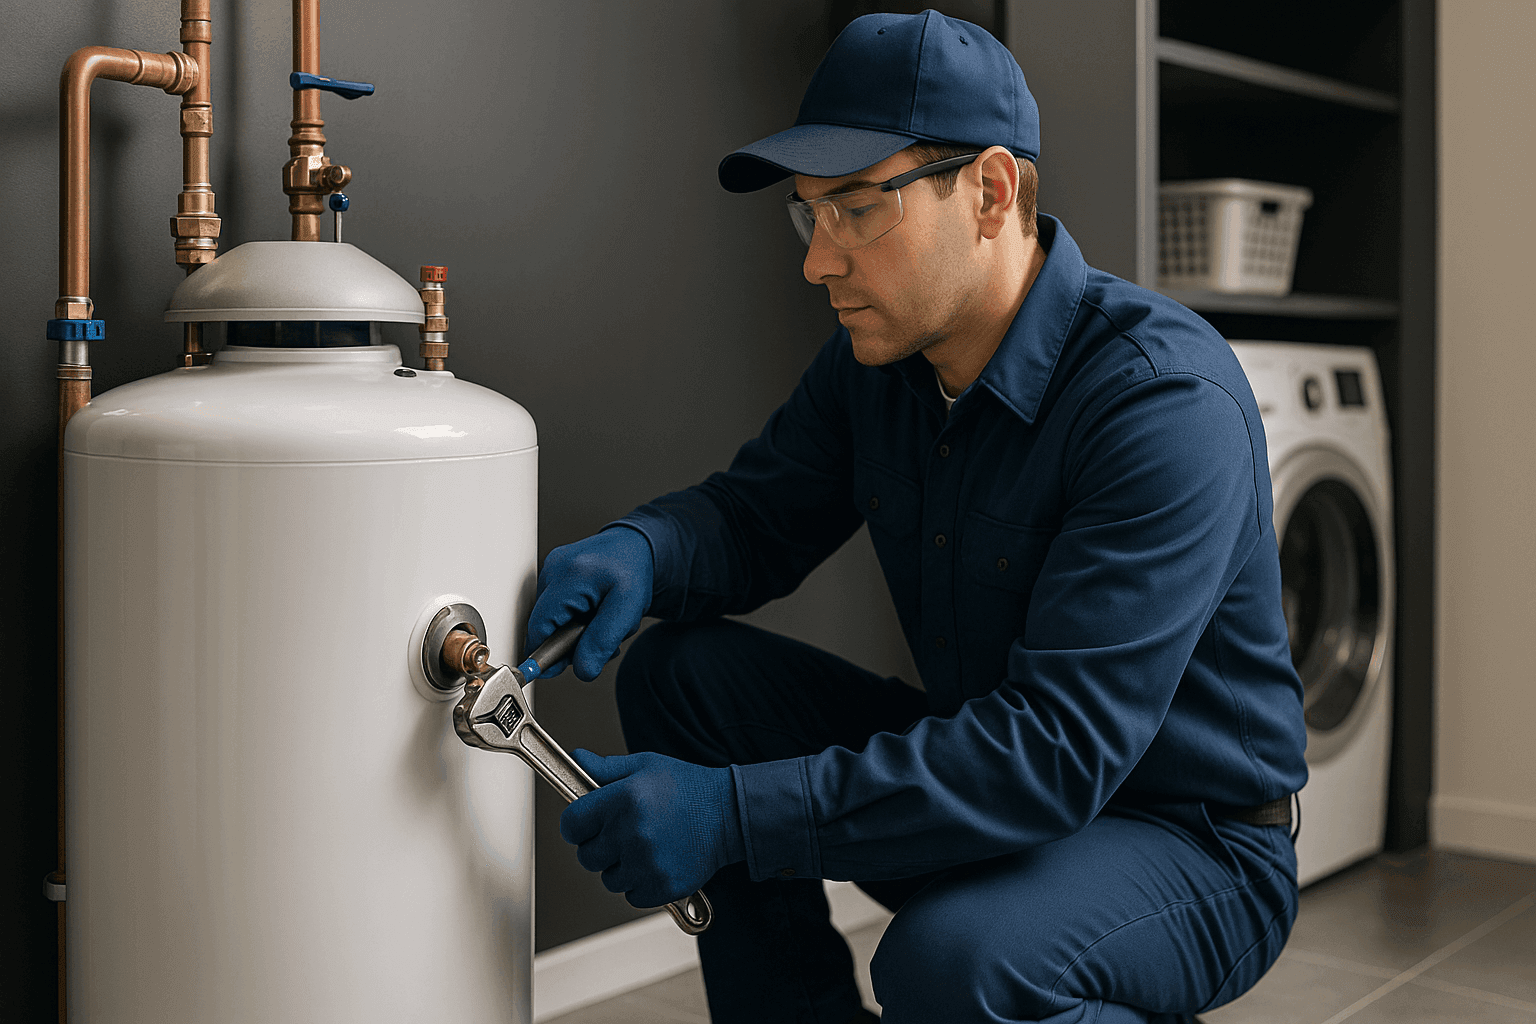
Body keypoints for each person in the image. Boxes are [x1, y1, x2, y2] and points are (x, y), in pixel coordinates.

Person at [528, 11, 1307, 1024]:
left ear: (990, 193)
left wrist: (733, 816)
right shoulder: (883, 364)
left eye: (856, 209)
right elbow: (756, 519)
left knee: (949, 967)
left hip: (1192, 837)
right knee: (688, 677)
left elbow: (1055, 752)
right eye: (810, 216)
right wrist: (645, 547)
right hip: (1002, 773)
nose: (819, 263)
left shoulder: (1160, 403)